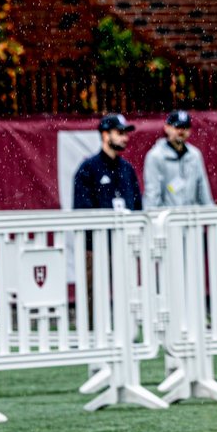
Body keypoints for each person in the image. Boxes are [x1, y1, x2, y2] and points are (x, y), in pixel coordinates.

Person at [73, 113, 142, 306]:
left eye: (125, 133)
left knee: (128, 298)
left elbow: (137, 206)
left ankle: (129, 334)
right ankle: (92, 334)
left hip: (124, 245)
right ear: (105, 135)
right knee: (93, 300)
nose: (124, 137)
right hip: (95, 248)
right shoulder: (88, 169)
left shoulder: (127, 169)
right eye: (119, 132)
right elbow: (82, 210)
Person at [143, 109, 214, 209]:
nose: (181, 131)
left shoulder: (195, 155)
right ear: (166, 128)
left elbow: (203, 189)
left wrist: (209, 212)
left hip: (192, 220)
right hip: (167, 220)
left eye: (185, 127)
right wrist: (154, 219)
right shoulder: (155, 156)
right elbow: (152, 194)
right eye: (177, 127)